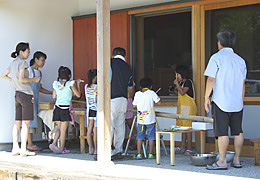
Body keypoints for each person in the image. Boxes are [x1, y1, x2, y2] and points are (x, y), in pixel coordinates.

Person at [204, 29, 247, 170]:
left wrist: (206, 98)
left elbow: (211, 79)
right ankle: (237, 160)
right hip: (237, 102)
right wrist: (241, 101)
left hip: (221, 101)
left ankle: (222, 161)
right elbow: (243, 84)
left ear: (220, 42)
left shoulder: (216, 58)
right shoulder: (240, 60)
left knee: (222, 131)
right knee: (238, 131)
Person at [1, 42, 40, 156]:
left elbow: (3, 75)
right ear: (21, 52)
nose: (29, 53)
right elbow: (22, 79)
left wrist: (14, 81)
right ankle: (23, 149)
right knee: (26, 123)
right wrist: (34, 79)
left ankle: (15, 148)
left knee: (17, 122)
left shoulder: (13, 63)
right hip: (26, 94)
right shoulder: (23, 63)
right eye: (27, 51)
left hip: (17, 94)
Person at [49, 66, 82, 154]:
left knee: (59, 128)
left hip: (57, 108)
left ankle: (54, 143)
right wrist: (77, 85)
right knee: (63, 130)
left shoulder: (56, 84)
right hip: (65, 109)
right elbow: (78, 95)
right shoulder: (70, 84)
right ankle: (62, 148)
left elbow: (54, 96)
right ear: (69, 75)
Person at [110, 47, 134, 158]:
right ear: (125, 55)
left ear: (113, 54)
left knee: (108, 125)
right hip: (123, 100)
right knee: (120, 125)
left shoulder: (109, 63)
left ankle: (108, 150)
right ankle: (118, 150)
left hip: (111, 99)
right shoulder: (127, 67)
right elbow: (130, 87)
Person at [27, 51, 52, 151]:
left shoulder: (39, 73)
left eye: (44, 61)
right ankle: (29, 143)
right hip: (29, 98)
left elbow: (40, 88)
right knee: (29, 121)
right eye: (42, 60)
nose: (43, 63)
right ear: (36, 60)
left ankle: (30, 143)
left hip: (36, 99)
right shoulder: (29, 70)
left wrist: (52, 93)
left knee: (32, 120)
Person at [132, 77, 161, 159]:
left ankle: (139, 154)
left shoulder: (137, 94)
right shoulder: (152, 93)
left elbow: (134, 105)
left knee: (139, 136)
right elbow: (159, 102)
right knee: (151, 136)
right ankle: (151, 154)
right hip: (150, 119)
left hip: (140, 119)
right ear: (150, 86)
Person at [174, 65, 197, 156]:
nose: (176, 76)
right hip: (182, 107)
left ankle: (190, 148)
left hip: (188, 108)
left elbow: (183, 92)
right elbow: (180, 92)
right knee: (182, 127)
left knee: (188, 128)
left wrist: (176, 84)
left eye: (177, 74)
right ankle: (182, 146)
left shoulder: (188, 82)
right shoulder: (182, 83)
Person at [85, 69, 97, 155]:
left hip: (89, 110)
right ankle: (96, 149)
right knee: (95, 130)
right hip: (96, 109)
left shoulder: (86, 86)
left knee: (89, 130)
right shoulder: (97, 87)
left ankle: (90, 148)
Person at [125, 82, 137, 150]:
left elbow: (131, 94)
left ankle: (136, 143)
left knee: (131, 126)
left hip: (127, 101)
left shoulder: (130, 81)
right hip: (122, 101)